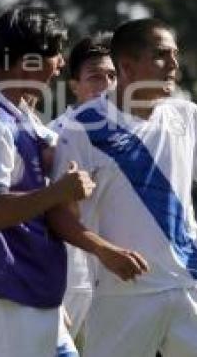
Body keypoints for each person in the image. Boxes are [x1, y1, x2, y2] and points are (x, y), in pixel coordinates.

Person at [51, 18, 197, 357]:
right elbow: (59, 216)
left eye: (175, 54)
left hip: (194, 287)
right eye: (161, 56)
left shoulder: (189, 116)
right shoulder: (79, 128)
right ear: (127, 66)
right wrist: (104, 251)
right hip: (122, 297)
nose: (174, 65)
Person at [0, 5, 145, 356]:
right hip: (10, 290)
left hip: (30, 288)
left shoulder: (19, 115)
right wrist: (59, 190)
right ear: (26, 63)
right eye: (53, 55)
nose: (59, 65)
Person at [49, 33, 116, 341]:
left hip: (116, 277)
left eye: (113, 76)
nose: (106, 85)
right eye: (95, 77)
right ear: (74, 85)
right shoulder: (54, 136)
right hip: (68, 278)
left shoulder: (134, 136)